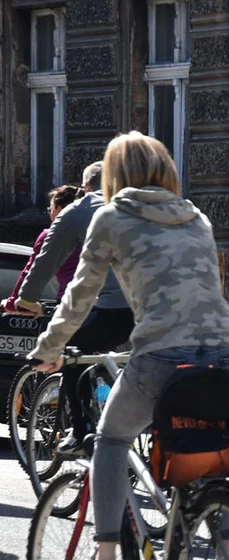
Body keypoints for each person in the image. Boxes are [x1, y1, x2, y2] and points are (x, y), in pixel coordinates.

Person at [28, 131, 229, 560]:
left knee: (109, 439)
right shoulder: (198, 219)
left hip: (163, 357)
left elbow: (80, 295)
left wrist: (49, 348)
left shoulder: (110, 217)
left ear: (114, 175)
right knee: (207, 459)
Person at [14, 161, 135, 454]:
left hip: (111, 309)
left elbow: (44, 262)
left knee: (70, 349)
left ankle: (81, 431)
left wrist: (26, 300)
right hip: (155, 310)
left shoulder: (80, 210)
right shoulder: (140, 204)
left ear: (85, 188)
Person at [3, 184, 82, 311]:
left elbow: (32, 270)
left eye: (50, 210)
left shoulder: (50, 235)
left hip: (71, 303)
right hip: (105, 302)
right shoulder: (94, 231)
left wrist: (13, 302)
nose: (49, 214)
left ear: (60, 210)